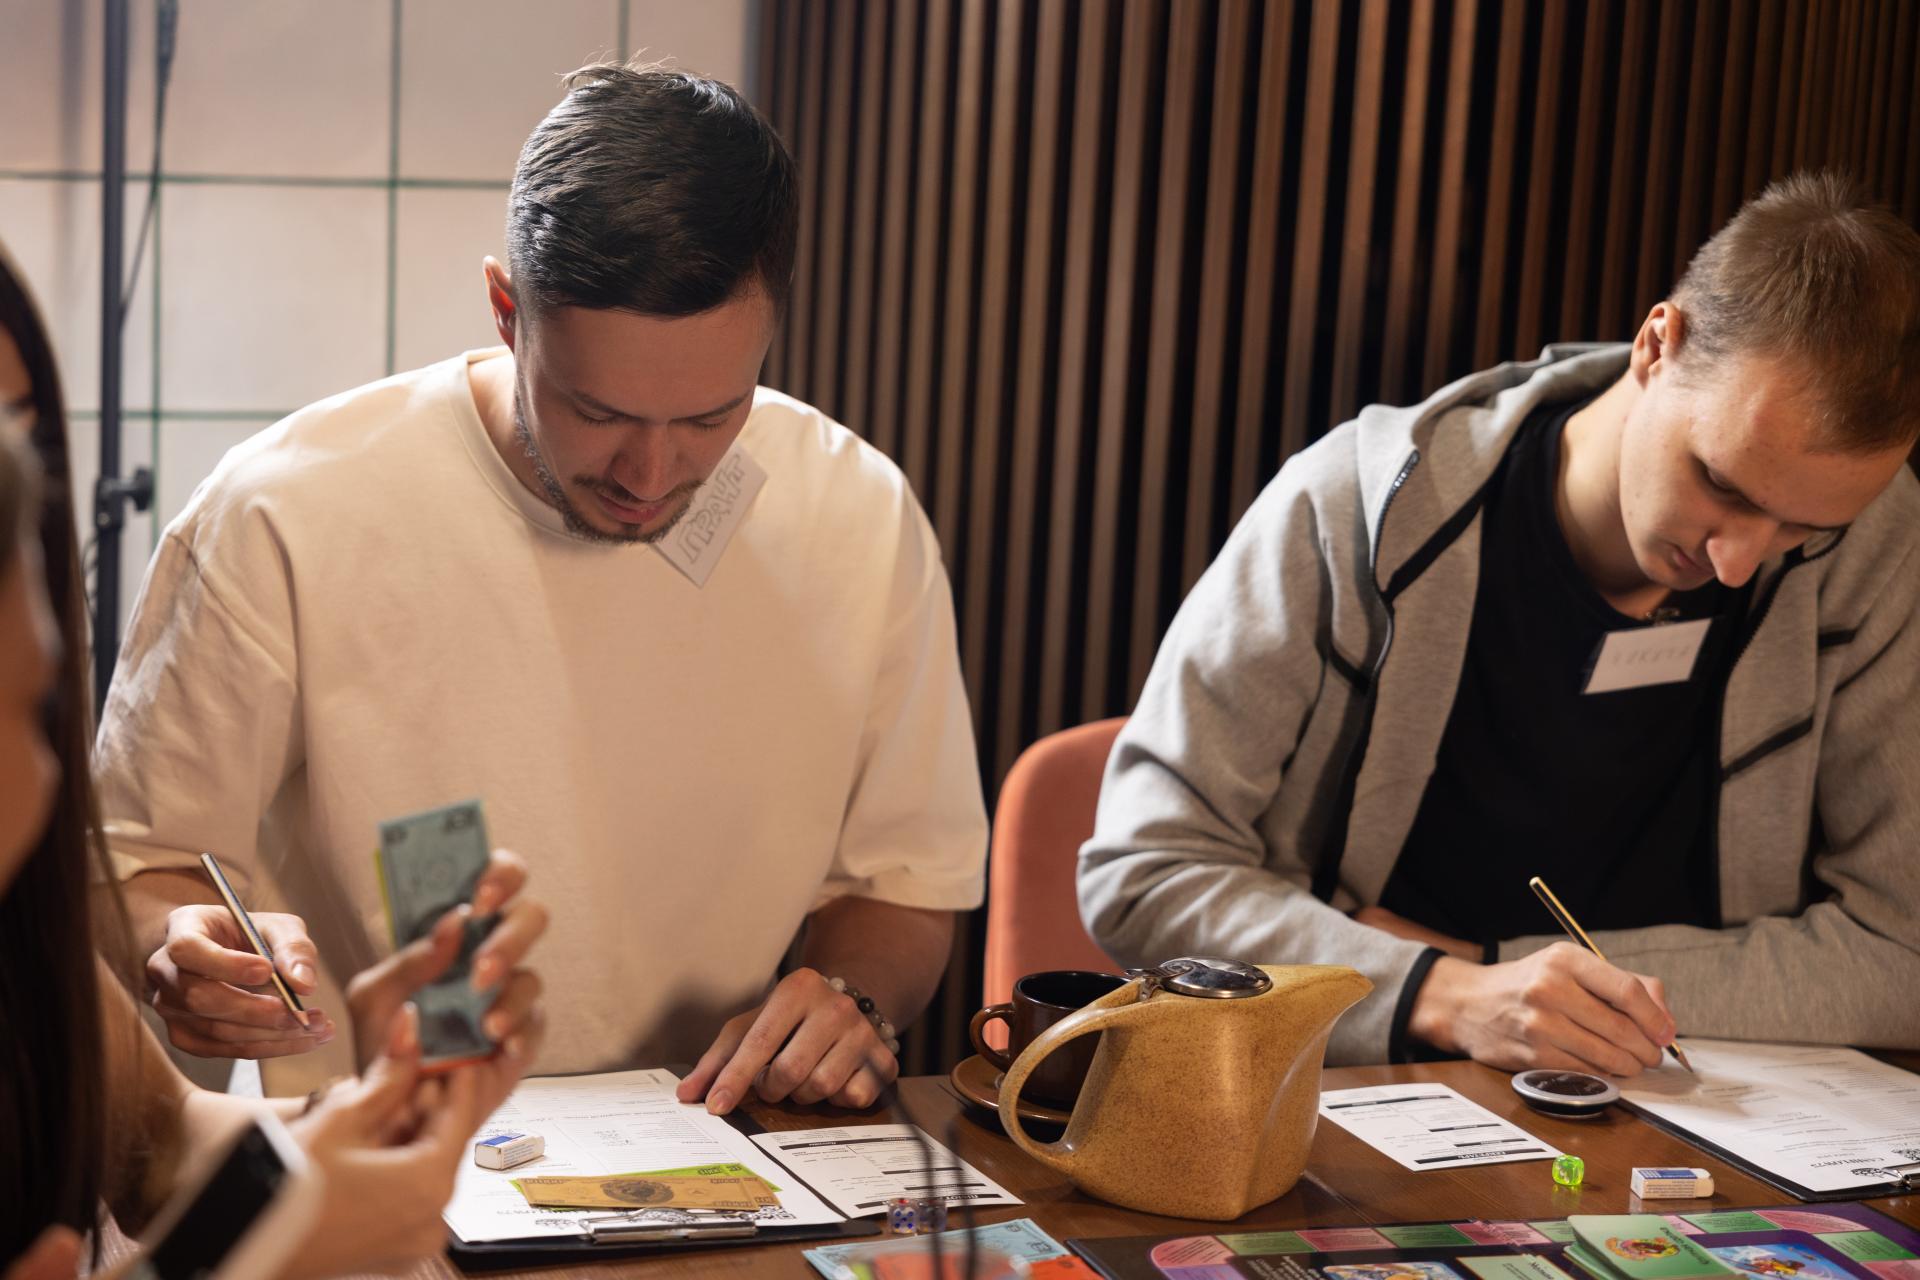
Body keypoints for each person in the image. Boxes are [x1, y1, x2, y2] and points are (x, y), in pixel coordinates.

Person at [94, 62, 986, 1109]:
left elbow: (905, 886)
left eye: (711, 417)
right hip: (384, 1147)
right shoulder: (284, 514)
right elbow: (134, 861)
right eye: (596, 412)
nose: (649, 475)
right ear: (506, 310)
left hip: (717, 1138)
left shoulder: (857, 514)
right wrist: (177, 943)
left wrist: (851, 996)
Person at [1079, 171, 1920, 1073]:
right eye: (1721, 484)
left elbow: (1903, 952)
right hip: (1361, 1086)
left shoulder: (1873, 543)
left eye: (1803, 529)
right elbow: (1147, 875)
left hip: (1701, 1100)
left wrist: (1498, 976)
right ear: (1656, 345)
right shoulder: (1354, 511)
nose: (1740, 563)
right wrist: (1438, 997)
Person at [0, 245, 547, 1277]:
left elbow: (164, 1138)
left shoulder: (19, 918)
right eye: (24, 715)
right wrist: (270, 1247)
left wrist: (369, 1115)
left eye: (20, 430)